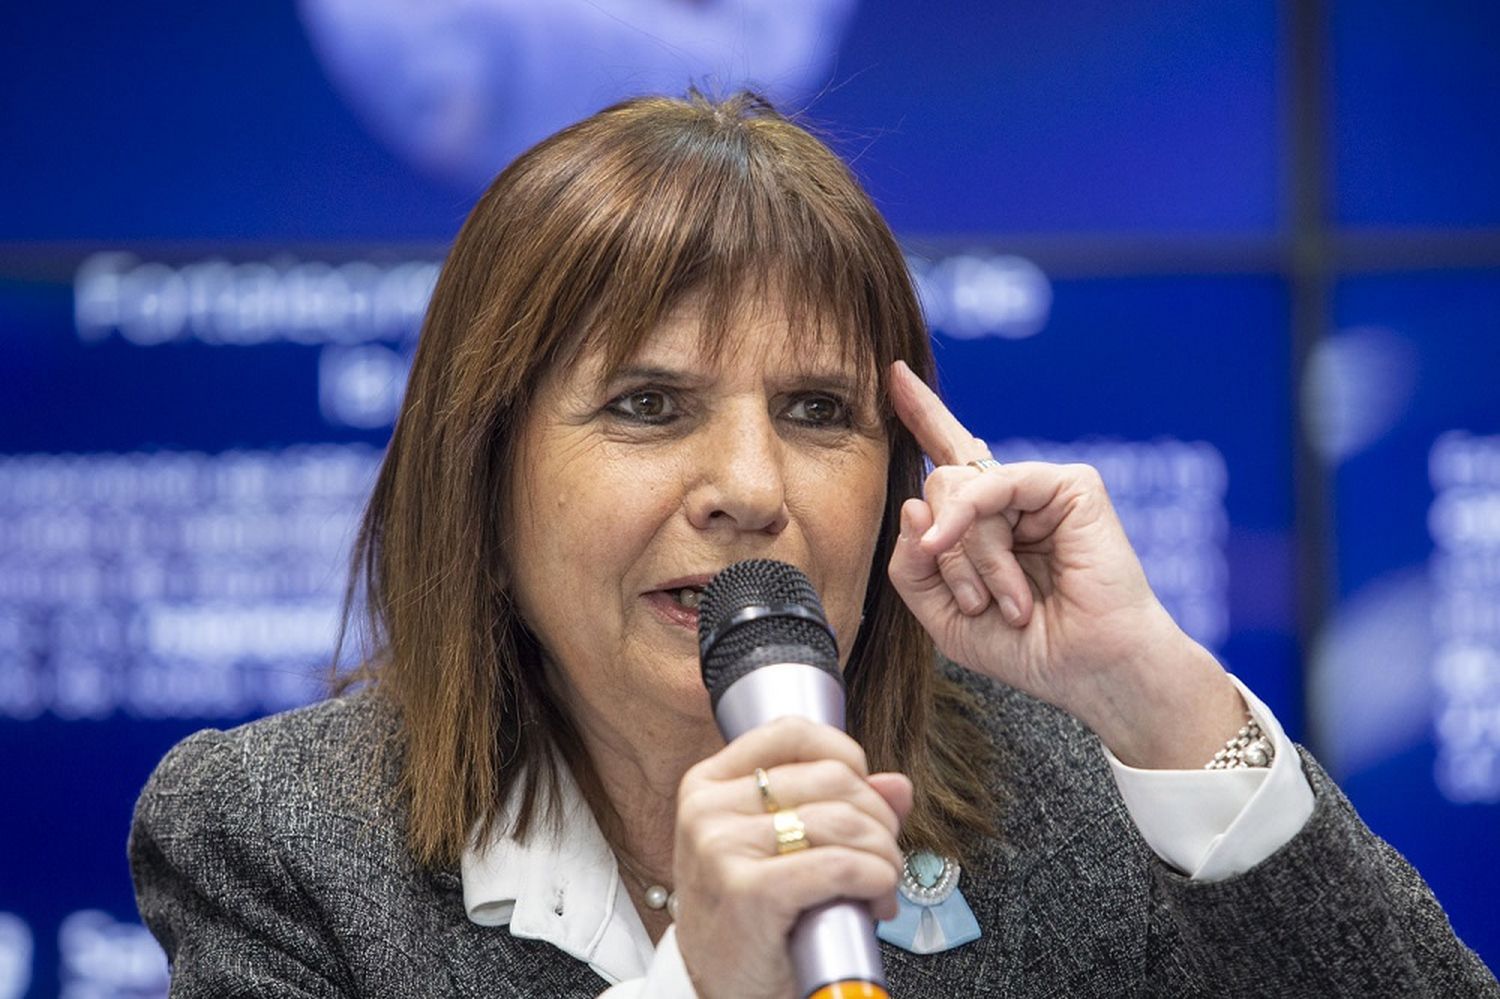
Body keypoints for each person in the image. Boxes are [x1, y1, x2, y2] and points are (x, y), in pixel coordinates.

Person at [128, 91, 1499, 998]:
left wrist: (1153, 695)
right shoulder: (276, 837)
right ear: (481, 481)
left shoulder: (1061, 800)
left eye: (817, 410)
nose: (749, 487)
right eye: (649, 405)